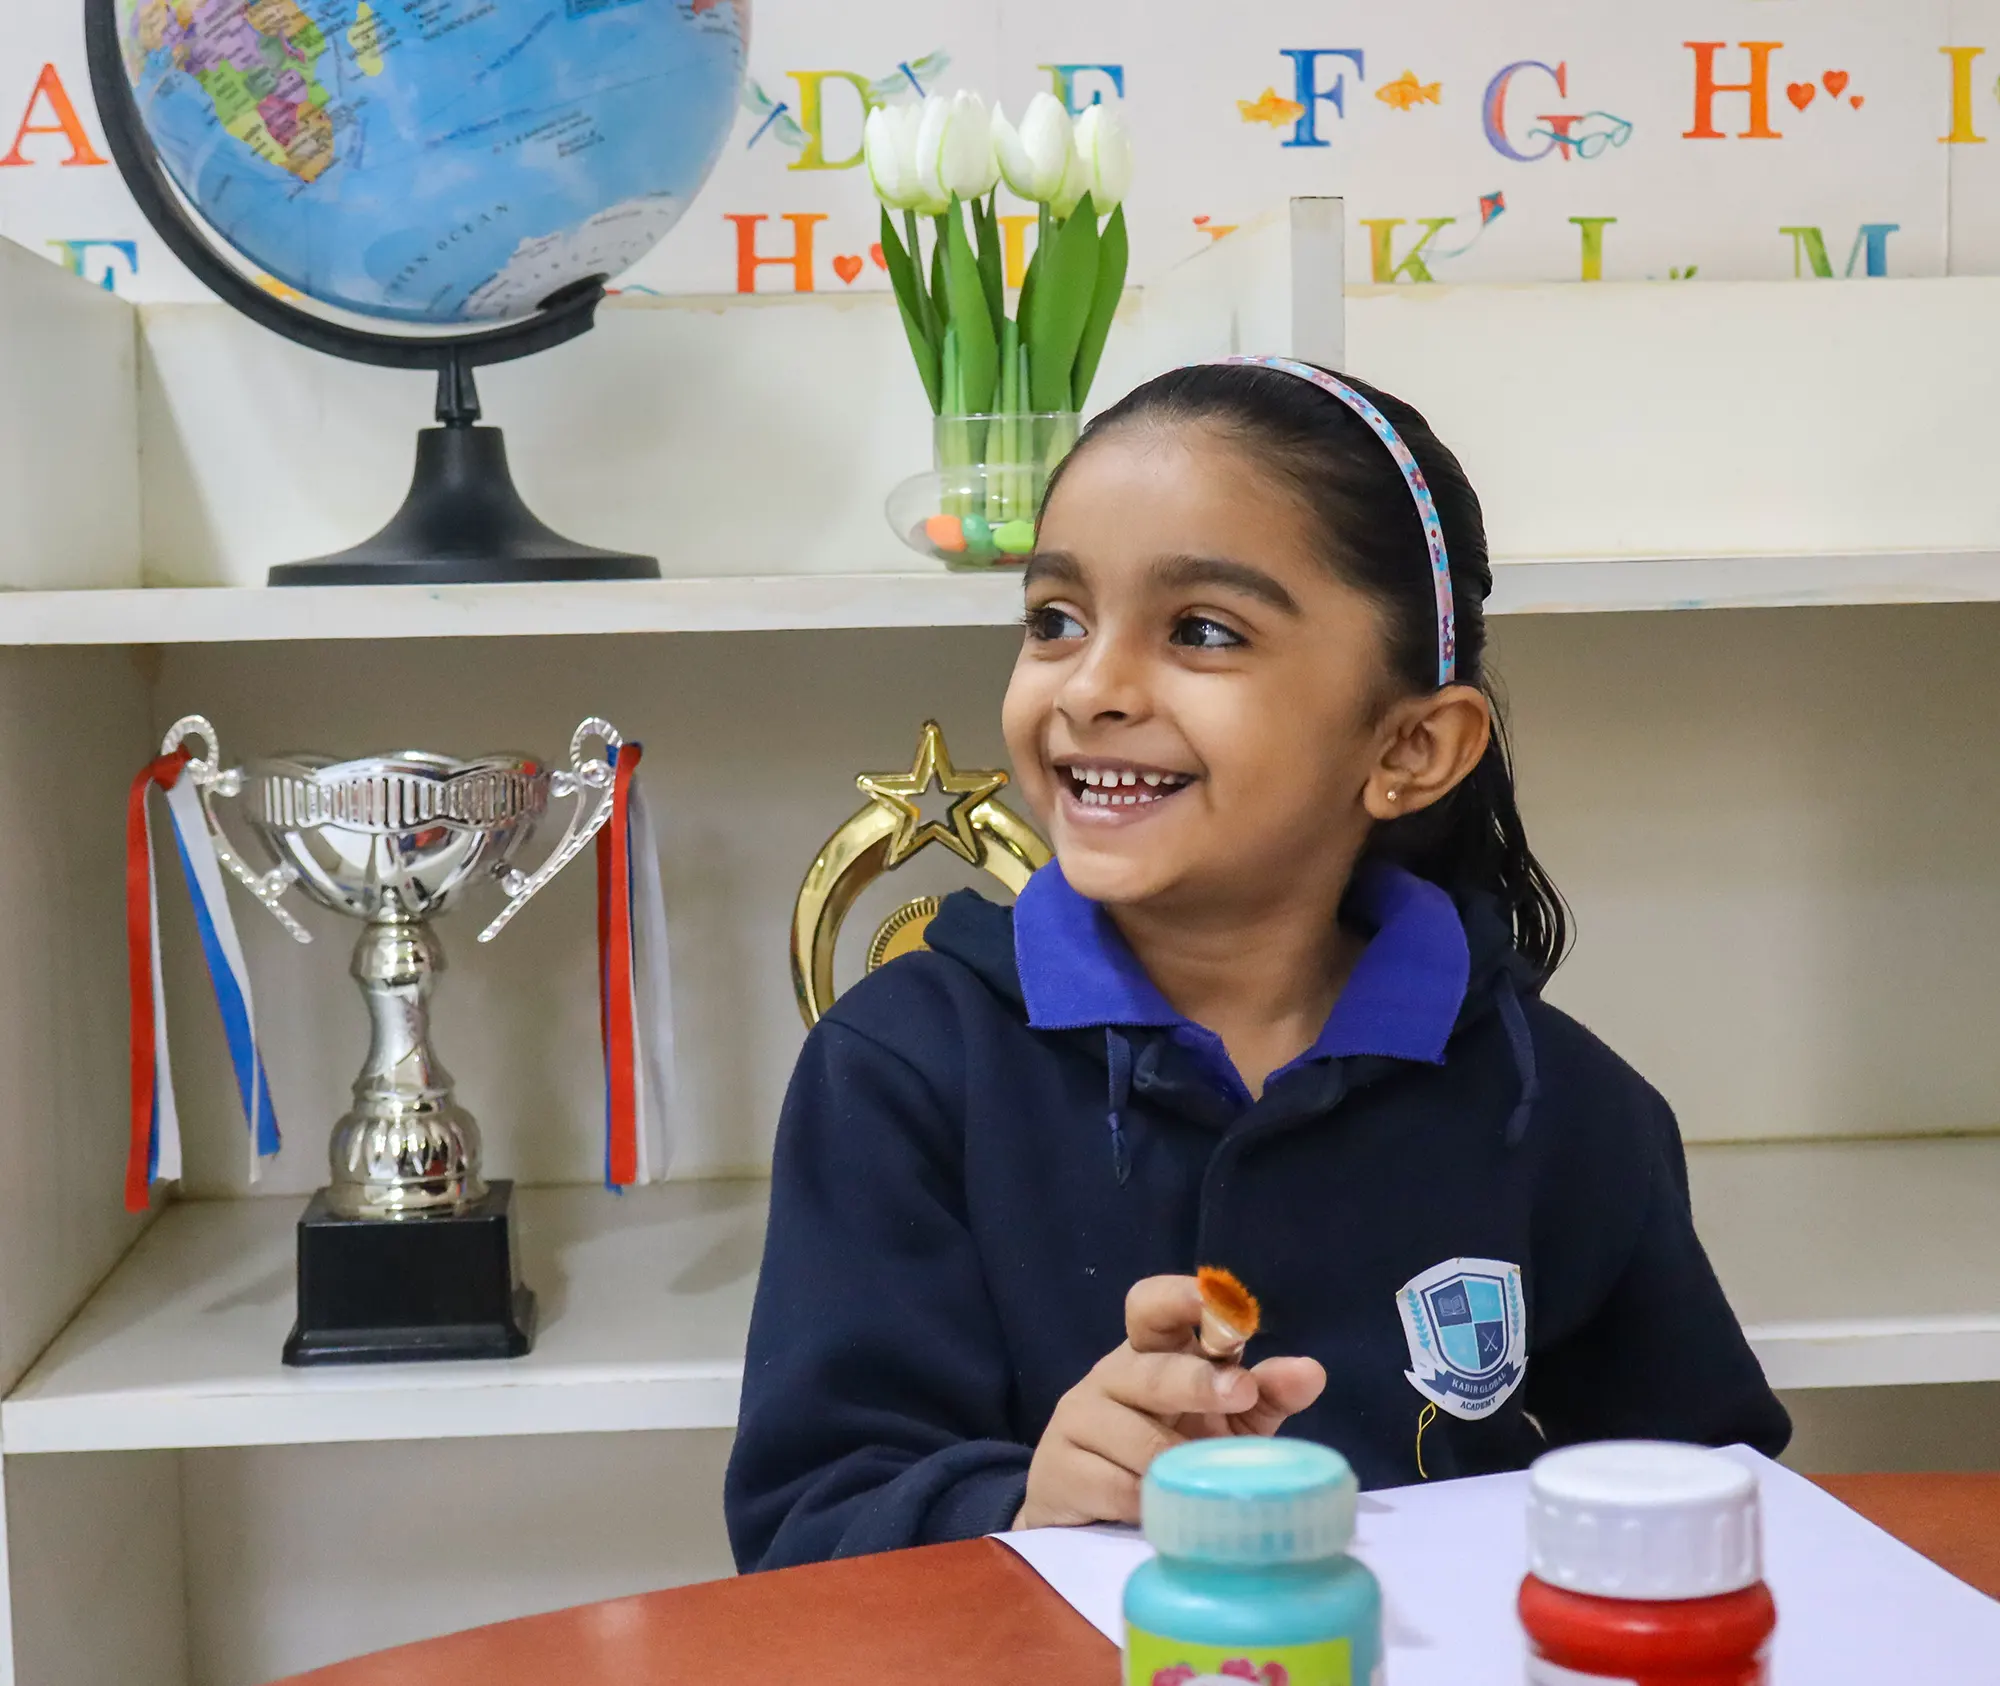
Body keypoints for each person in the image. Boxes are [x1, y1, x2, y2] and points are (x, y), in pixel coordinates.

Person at [724, 358, 1790, 1572]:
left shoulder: (1566, 1108)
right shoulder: (902, 1069)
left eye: (1201, 631)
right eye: (1053, 619)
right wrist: (1030, 1501)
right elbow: (807, 1534)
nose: (1092, 688)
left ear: (1409, 747)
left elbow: (1710, 1497)